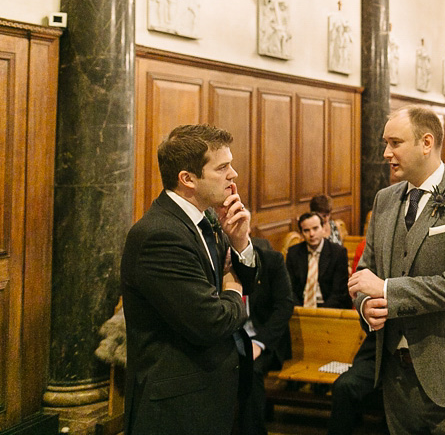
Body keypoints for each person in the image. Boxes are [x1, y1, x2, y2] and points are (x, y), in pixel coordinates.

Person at [348, 107, 445, 434]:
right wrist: (365, 305)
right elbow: (363, 275)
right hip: (395, 377)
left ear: (426, 142)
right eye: (386, 143)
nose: (386, 153)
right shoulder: (385, 200)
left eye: (395, 143)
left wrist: (386, 291)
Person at [121, 124, 259, 435]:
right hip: (178, 408)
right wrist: (233, 289)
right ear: (188, 179)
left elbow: (246, 280)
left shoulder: (207, 217)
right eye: (222, 167)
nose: (233, 174)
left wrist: (240, 244)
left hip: (214, 389)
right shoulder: (160, 235)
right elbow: (210, 322)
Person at [240, 238, 294, 435]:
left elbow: (285, 306)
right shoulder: (219, 260)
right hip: (231, 337)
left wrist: (259, 342)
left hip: (265, 338)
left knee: (250, 370)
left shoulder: (271, 260)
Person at [286, 211, 351, 308]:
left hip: (329, 309)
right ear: (301, 233)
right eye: (306, 230)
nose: (311, 234)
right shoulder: (293, 252)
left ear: (323, 228)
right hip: (300, 308)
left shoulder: (338, 252)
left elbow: (339, 292)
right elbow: (289, 288)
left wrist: (318, 314)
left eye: (315, 228)